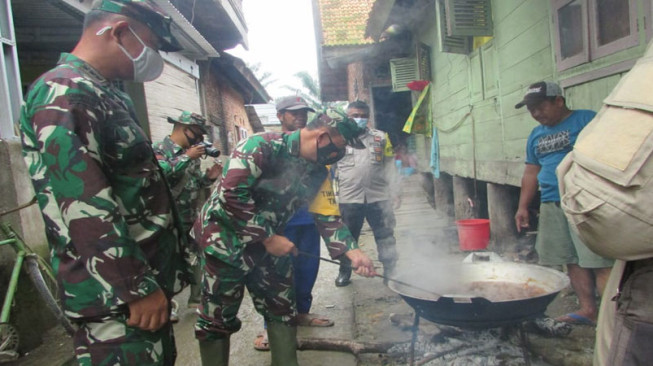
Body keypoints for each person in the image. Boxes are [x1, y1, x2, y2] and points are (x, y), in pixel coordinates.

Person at [19, 1, 192, 364]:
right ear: (119, 32)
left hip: (136, 291)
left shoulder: (105, 92)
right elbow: (83, 202)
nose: (153, 57)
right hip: (116, 299)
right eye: (152, 45)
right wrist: (134, 287)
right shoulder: (65, 91)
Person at [191, 113, 377, 366]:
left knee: (282, 308)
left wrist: (351, 251)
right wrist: (267, 238)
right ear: (322, 137)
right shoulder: (259, 147)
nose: (340, 153)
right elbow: (231, 194)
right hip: (224, 240)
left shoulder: (316, 172)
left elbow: (326, 214)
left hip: (270, 244)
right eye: (341, 145)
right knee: (217, 318)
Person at [513, 81, 613, 325]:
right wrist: (522, 206)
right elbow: (530, 172)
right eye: (531, 110)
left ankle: (613, 319)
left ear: (559, 101)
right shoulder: (536, 135)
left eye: (540, 106)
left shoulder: (586, 120)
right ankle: (588, 310)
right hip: (551, 204)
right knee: (571, 259)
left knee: (599, 260)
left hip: (585, 201)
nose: (535, 114)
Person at [253, 96, 335, 351]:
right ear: (279, 116)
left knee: (306, 269)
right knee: (275, 275)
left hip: (307, 219)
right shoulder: (269, 146)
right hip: (278, 224)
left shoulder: (314, 148)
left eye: (303, 112)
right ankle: (272, 326)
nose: (299, 115)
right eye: (293, 112)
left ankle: (301, 313)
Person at [153, 111, 222, 321]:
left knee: (196, 258)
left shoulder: (190, 153)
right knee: (166, 263)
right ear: (185, 128)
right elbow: (159, 173)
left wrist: (208, 179)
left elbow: (191, 183)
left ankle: (197, 298)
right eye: (198, 134)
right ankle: (166, 304)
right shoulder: (159, 149)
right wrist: (186, 157)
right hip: (167, 219)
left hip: (189, 216)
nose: (200, 139)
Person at [333, 100, 399, 287]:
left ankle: (391, 271)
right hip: (349, 197)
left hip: (379, 196)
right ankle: (344, 271)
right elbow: (329, 168)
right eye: (355, 116)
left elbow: (389, 165)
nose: (359, 119)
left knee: (385, 235)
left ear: (368, 117)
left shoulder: (381, 137)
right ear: (347, 117)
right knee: (348, 237)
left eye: (363, 116)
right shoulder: (338, 139)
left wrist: (395, 191)